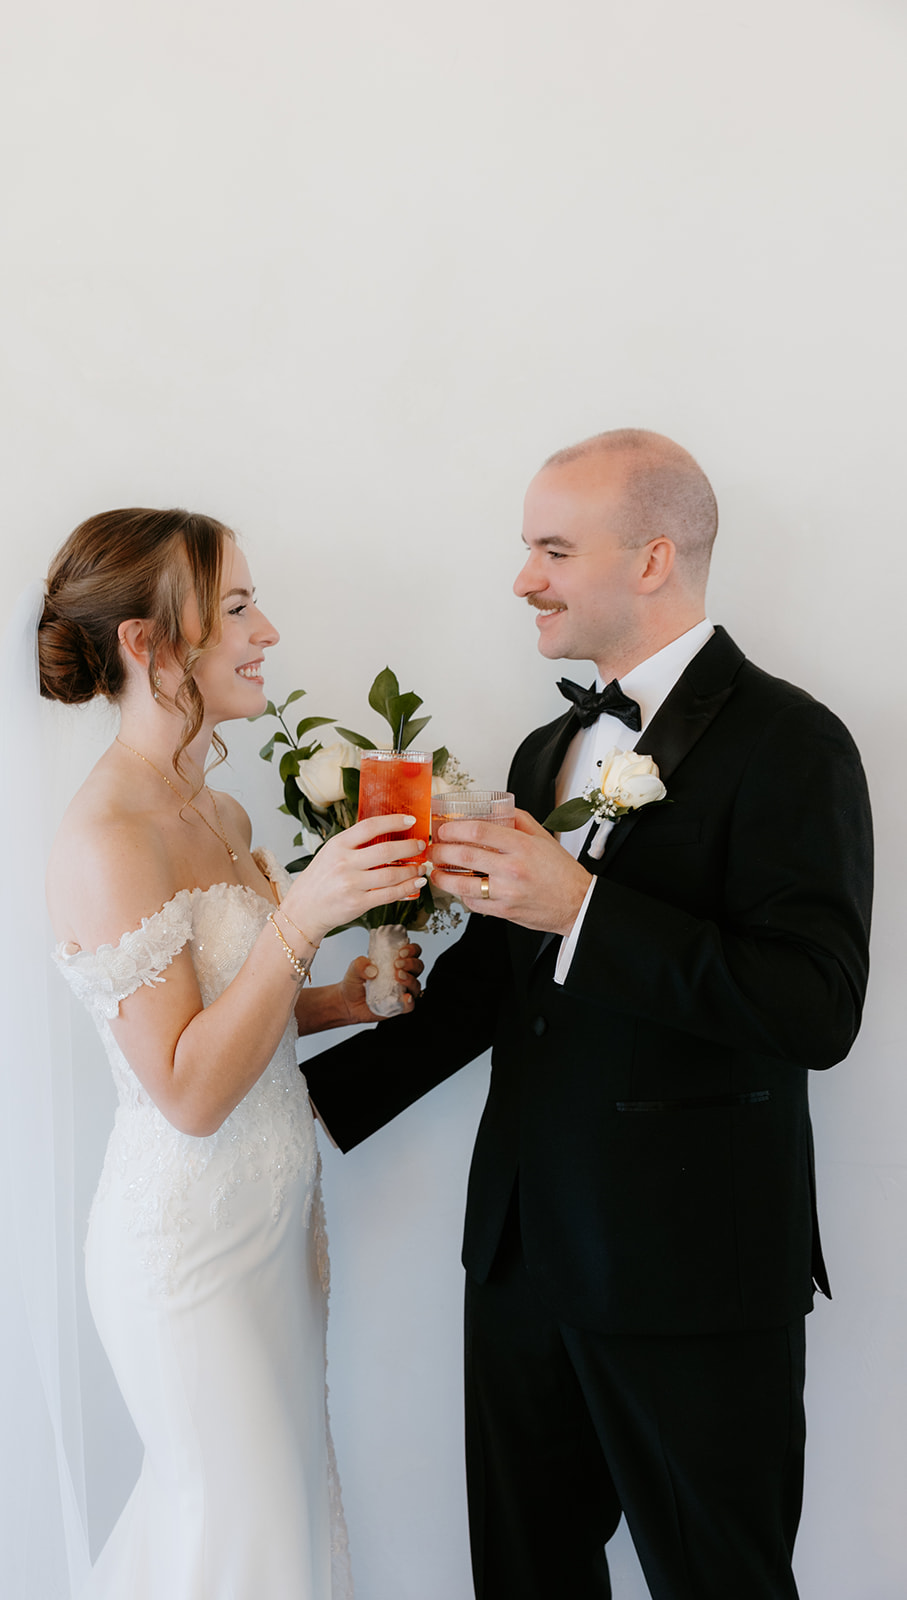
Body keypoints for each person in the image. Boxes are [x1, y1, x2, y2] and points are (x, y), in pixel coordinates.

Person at [302, 430, 873, 1600]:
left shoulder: (792, 742)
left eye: (551, 549)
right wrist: (279, 1098)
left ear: (652, 557)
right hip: (518, 1259)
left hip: (691, 1267)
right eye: (527, 549)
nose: (523, 578)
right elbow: (496, 993)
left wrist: (586, 909)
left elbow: (814, 1007)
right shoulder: (545, 744)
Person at [0, 507, 422, 1600]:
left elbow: (224, 1014)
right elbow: (186, 1090)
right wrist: (301, 916)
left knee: (274, 1522)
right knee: (230, 1531)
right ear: (146, 642)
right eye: (240, 608)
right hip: (189, 1247)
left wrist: (338, 999)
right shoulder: (105, 836)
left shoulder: (212, 804)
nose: (268, 632)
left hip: (268, 1229)